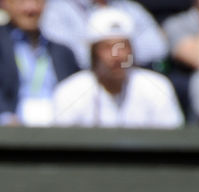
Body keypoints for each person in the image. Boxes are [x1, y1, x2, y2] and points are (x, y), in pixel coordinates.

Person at [51, 8, 184, 127]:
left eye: (123, 46)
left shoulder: (158, 87)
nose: (117, 56)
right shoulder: (70, 92)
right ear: (93, 53)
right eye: (107, 48)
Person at [0, 0, 80, 124]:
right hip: (7, 134)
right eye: (21, 2)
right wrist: (5, 119)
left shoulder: (63, 52)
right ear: (4, 4)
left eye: (37, 1)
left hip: (58, 133)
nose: (30, 9)